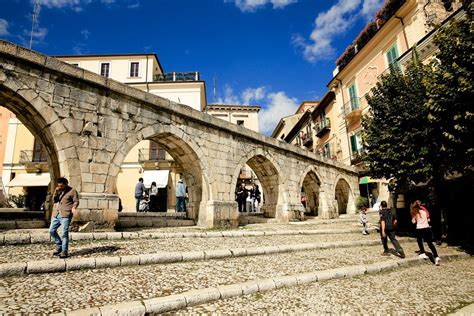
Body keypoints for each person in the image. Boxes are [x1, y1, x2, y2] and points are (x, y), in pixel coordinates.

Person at [49, 177, 79, 259]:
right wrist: (56, 192)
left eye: (61, 186)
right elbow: (54, 200)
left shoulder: (72, 191)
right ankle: (59, 245)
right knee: (51, 231)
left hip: (66, 215)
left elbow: (76, 201)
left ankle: (64, 251)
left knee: (64, 233)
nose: (60, 187)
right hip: (57, 214)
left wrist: (74, 207)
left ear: (66, 184)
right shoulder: (58, 190)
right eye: (59, 186)